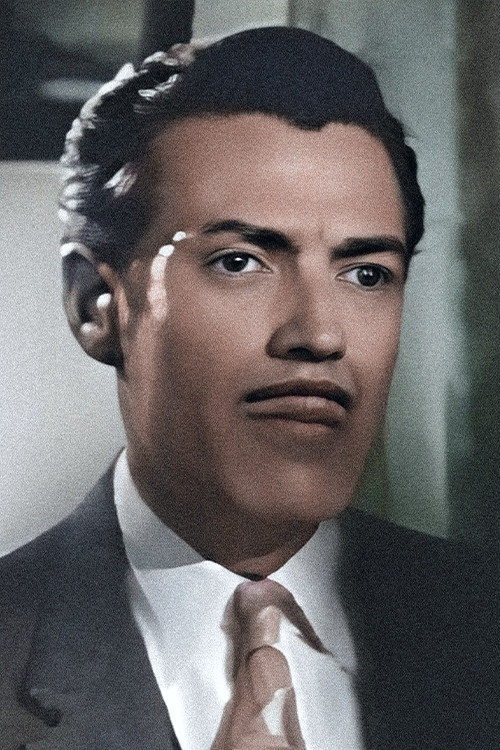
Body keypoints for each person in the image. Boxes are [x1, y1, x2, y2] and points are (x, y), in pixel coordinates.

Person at [1, 26, 498, 750]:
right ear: (96, 306)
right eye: (239, 262)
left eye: (367, 274)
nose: (319, 333)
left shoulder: (480, 629)